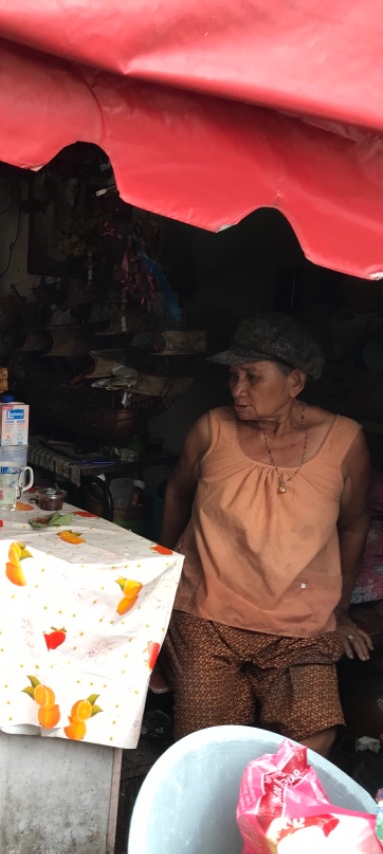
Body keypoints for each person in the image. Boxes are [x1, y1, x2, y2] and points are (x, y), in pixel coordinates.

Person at [159, 311, 372, 757]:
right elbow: (177, 494)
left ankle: (273, 824)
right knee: (207, 750)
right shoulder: (212, 429)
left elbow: (354, 525)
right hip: (207, 615)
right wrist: (166, 575)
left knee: (311, 744)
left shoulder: (344, 441)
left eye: (253, 377)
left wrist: (341, 609)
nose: (237, 390)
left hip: (300, 626)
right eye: (234, 376)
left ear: (295, 382)